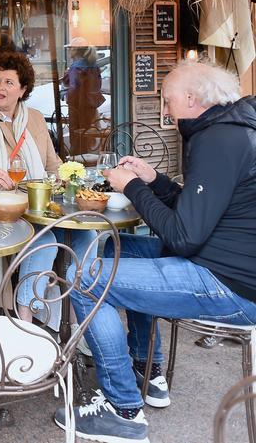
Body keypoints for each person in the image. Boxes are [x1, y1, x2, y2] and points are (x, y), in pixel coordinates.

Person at [59, 60, 256, 443]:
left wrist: (133, 187)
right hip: (222, 265)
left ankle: (123, 411)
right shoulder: (224, 131)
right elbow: (198, 212)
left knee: (83, 279)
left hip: (228, 284)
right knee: (123, 248)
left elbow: (183, 236)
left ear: (191, 99)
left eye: (167, 102)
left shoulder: (219, 140)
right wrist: (154, 179)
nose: (164, 111)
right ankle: (147, 371)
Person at [0, 52, 94, 314]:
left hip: (39, 207)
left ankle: (78, 313)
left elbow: (53, 166)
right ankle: (25, 320)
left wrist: (69, 175)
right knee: (44, 239)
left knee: (88, 235)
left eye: (8, 82)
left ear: (23, 89)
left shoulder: (35, 119)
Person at [62, 37, 105, 156]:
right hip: (90, 106)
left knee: (77, 139)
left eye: (70, 48)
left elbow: (73, 88)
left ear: (76, 50)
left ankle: (77, 164)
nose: (69, 51)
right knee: (87, 137)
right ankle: (87, 160)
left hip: (77, 107)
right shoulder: (93, 65)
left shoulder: (76, 67)